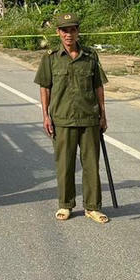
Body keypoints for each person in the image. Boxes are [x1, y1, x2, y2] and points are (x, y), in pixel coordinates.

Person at [35, 12, 109, 223]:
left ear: (78, 31)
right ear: (58, 33)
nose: (69, 34)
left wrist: (103, 114)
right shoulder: (50, 58)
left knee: (91, 164)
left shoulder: (91, 56)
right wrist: (45, 116)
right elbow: (45, 88)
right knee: (65, 165)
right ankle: (65, 205)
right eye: (64, 30)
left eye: (73, 29)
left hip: (89, 118)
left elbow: (98, 86)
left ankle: (92, 207)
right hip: (62, 118)